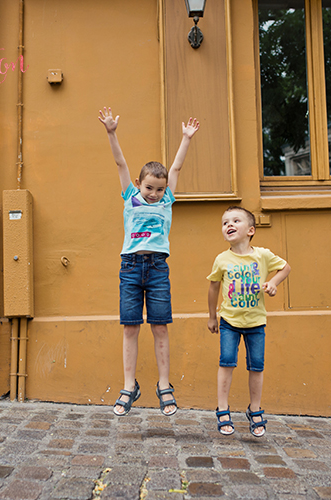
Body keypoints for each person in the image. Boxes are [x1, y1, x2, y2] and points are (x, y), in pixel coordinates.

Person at [98, 106, 200, 417]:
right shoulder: (130, 196)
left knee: (159, 327)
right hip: (130, 267)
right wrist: (112, 133)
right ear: (139, 185)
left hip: (157, 268)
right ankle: (129, 385)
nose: (154, 193)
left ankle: (164, 385)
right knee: (130, 327)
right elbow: (120, 162)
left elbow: (177, 169)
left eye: (159, 188)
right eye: (149, 188)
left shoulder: (168, 199)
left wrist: (186, 139)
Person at [206, 206, 290, 437]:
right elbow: (213, 288)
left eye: (235, 221)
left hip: (255, 323)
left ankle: (255, 408)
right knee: (227, 362)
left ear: (250, 230)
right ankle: (223, 408)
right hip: (229, 322)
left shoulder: (262, 255)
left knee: (256, 367)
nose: (228, 225)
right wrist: (212, 316)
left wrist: (273, 283)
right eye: (225, 222)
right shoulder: (222, 259)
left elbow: (285, 267)